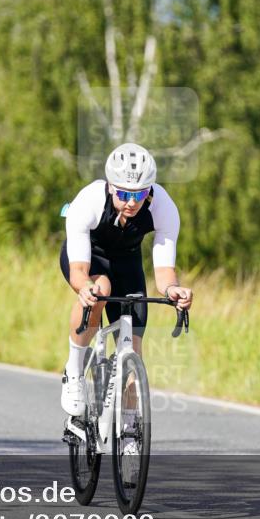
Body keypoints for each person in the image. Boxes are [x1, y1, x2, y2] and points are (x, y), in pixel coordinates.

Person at [59, 142, 193, 430]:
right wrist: (85, 288)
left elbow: (164, 274)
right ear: (110, 187)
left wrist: (173, 291)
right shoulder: (89, 201)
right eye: (123, 194)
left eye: (140, 194)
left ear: (150, 191)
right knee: (101, 290)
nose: (132, 202)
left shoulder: (163, 207)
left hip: (126, 261)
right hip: (88, 256)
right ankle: (74, 371)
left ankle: (131, 430)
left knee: (132, 346)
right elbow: (78, 271)